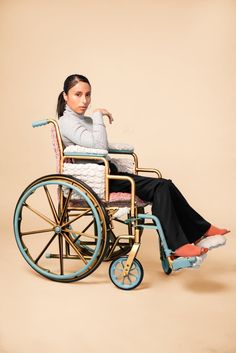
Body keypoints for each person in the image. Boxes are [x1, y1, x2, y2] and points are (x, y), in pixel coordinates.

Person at [57, 74, 230, 258]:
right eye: (78, 94)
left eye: (88, 94)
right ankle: (179, 245)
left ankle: (199, 232)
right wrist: (98, 115)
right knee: (161, 187)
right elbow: (99, 147)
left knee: (166, 185)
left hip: (109, 174)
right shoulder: (66, 122)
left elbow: (100, 146)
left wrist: (95, 121)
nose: (84, 100)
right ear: (66, 96)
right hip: (98, 180)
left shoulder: (83, 121)